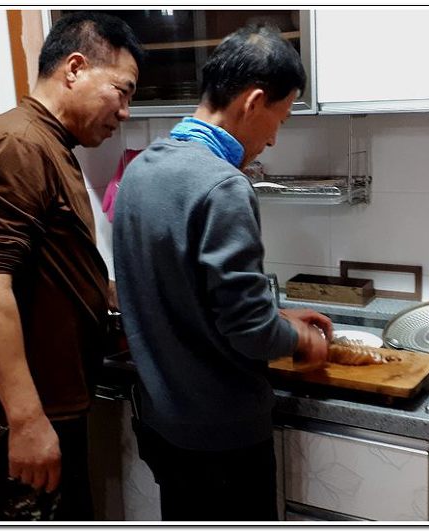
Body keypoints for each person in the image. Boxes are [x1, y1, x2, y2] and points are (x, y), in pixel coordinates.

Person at [113, 25, 332, 521]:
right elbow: (249, 332)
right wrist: (299, 340)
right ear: (253, 102)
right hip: (223, 443)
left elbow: (184, 296)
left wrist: (278, 315)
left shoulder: (141, 170)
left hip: (164, 426)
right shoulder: (222, 186)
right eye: (280, 118)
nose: (273, 138)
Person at [0, 12, 142, 521]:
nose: (124, 112)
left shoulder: (50, 144)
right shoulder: (14, 146)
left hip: (52, 405)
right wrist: (27, 421)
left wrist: (112, 293)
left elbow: (50, 265)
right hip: (16, 416)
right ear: (75, 69)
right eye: (121, 91)